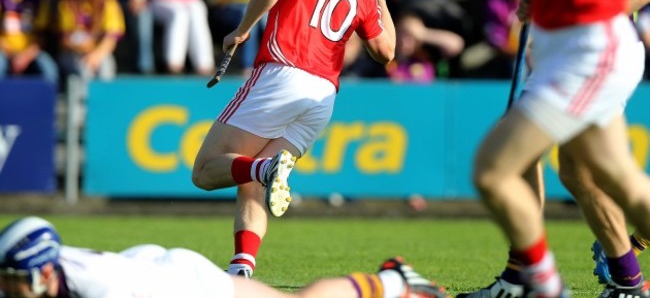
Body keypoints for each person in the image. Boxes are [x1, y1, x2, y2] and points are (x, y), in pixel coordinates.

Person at [191, 0, 396, 278]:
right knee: (249, 176)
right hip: (322, 99)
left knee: (204, 171)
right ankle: (242, 268)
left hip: (282, 75)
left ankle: (268, 170)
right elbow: (386, 51)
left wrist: (243, 29)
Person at [460, 0, 650, 298]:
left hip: (593, 47)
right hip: (559, 47)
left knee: (495, 169)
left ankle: (535, 283)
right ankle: (628, 284)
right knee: (601, 179)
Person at [0, 216, 450, 298]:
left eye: (12, 280)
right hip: (153, 267)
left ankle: (395, 283)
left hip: (182, 284)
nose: (7, 287)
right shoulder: (51, 271)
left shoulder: (97, 288)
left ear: (41, 273)